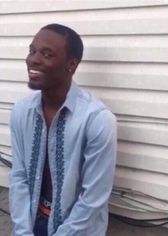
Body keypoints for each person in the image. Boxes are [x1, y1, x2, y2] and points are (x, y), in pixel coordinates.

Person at [9, 23, 117, 236]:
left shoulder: (97, 119)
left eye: (47, 54)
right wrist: (22, 231)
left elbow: (93, 199)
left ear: (71, 65)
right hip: (31, 223)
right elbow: (19, 177)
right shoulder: (21, 112)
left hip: (78, 229)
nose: (34, 59)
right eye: (32, 51)